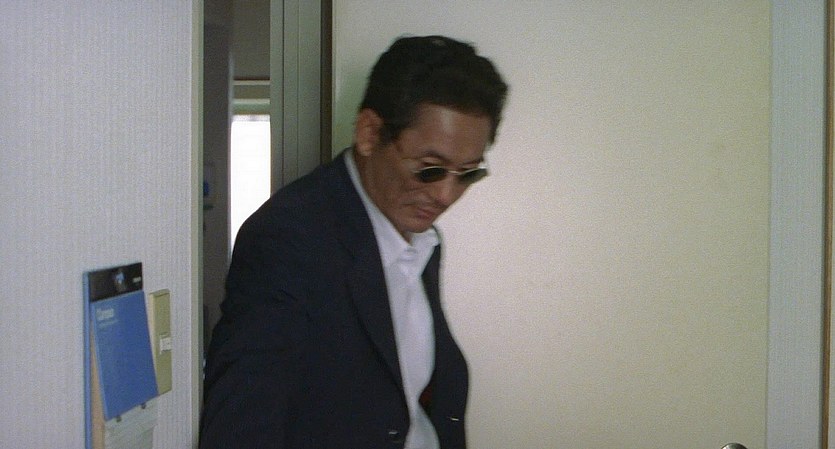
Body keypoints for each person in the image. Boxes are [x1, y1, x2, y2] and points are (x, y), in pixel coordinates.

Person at [199, 35, 508, 449]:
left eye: (467, 174)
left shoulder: (421, 241)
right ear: (369, 133)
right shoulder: (288, 239)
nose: (446, 196)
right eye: (430, 169)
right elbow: (241, 428)